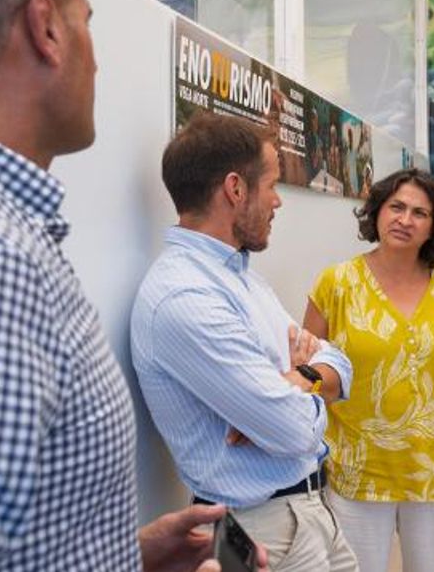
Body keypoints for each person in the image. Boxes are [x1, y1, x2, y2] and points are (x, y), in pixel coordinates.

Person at [0, 0, 265, 569]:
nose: (97, 62)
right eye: (89, 25)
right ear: (45, 28)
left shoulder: (12, 234)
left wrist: (125, 554)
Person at [130, 113, 358, 572]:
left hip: (309, 514)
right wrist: (305, 391)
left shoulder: (242, 281)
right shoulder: (185, 296)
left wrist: (299, 377)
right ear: (235, 189)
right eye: (272, 185)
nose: (278, 202)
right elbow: (294, 429)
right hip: (265, 533)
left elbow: (340, 365)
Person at [303, 168, 434, 572]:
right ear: (377, 212)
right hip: (359, 469)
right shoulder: (337, 283)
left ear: (433, 228)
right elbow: (306, 372)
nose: (405, 220)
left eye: (419, 213)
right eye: (397, 207)